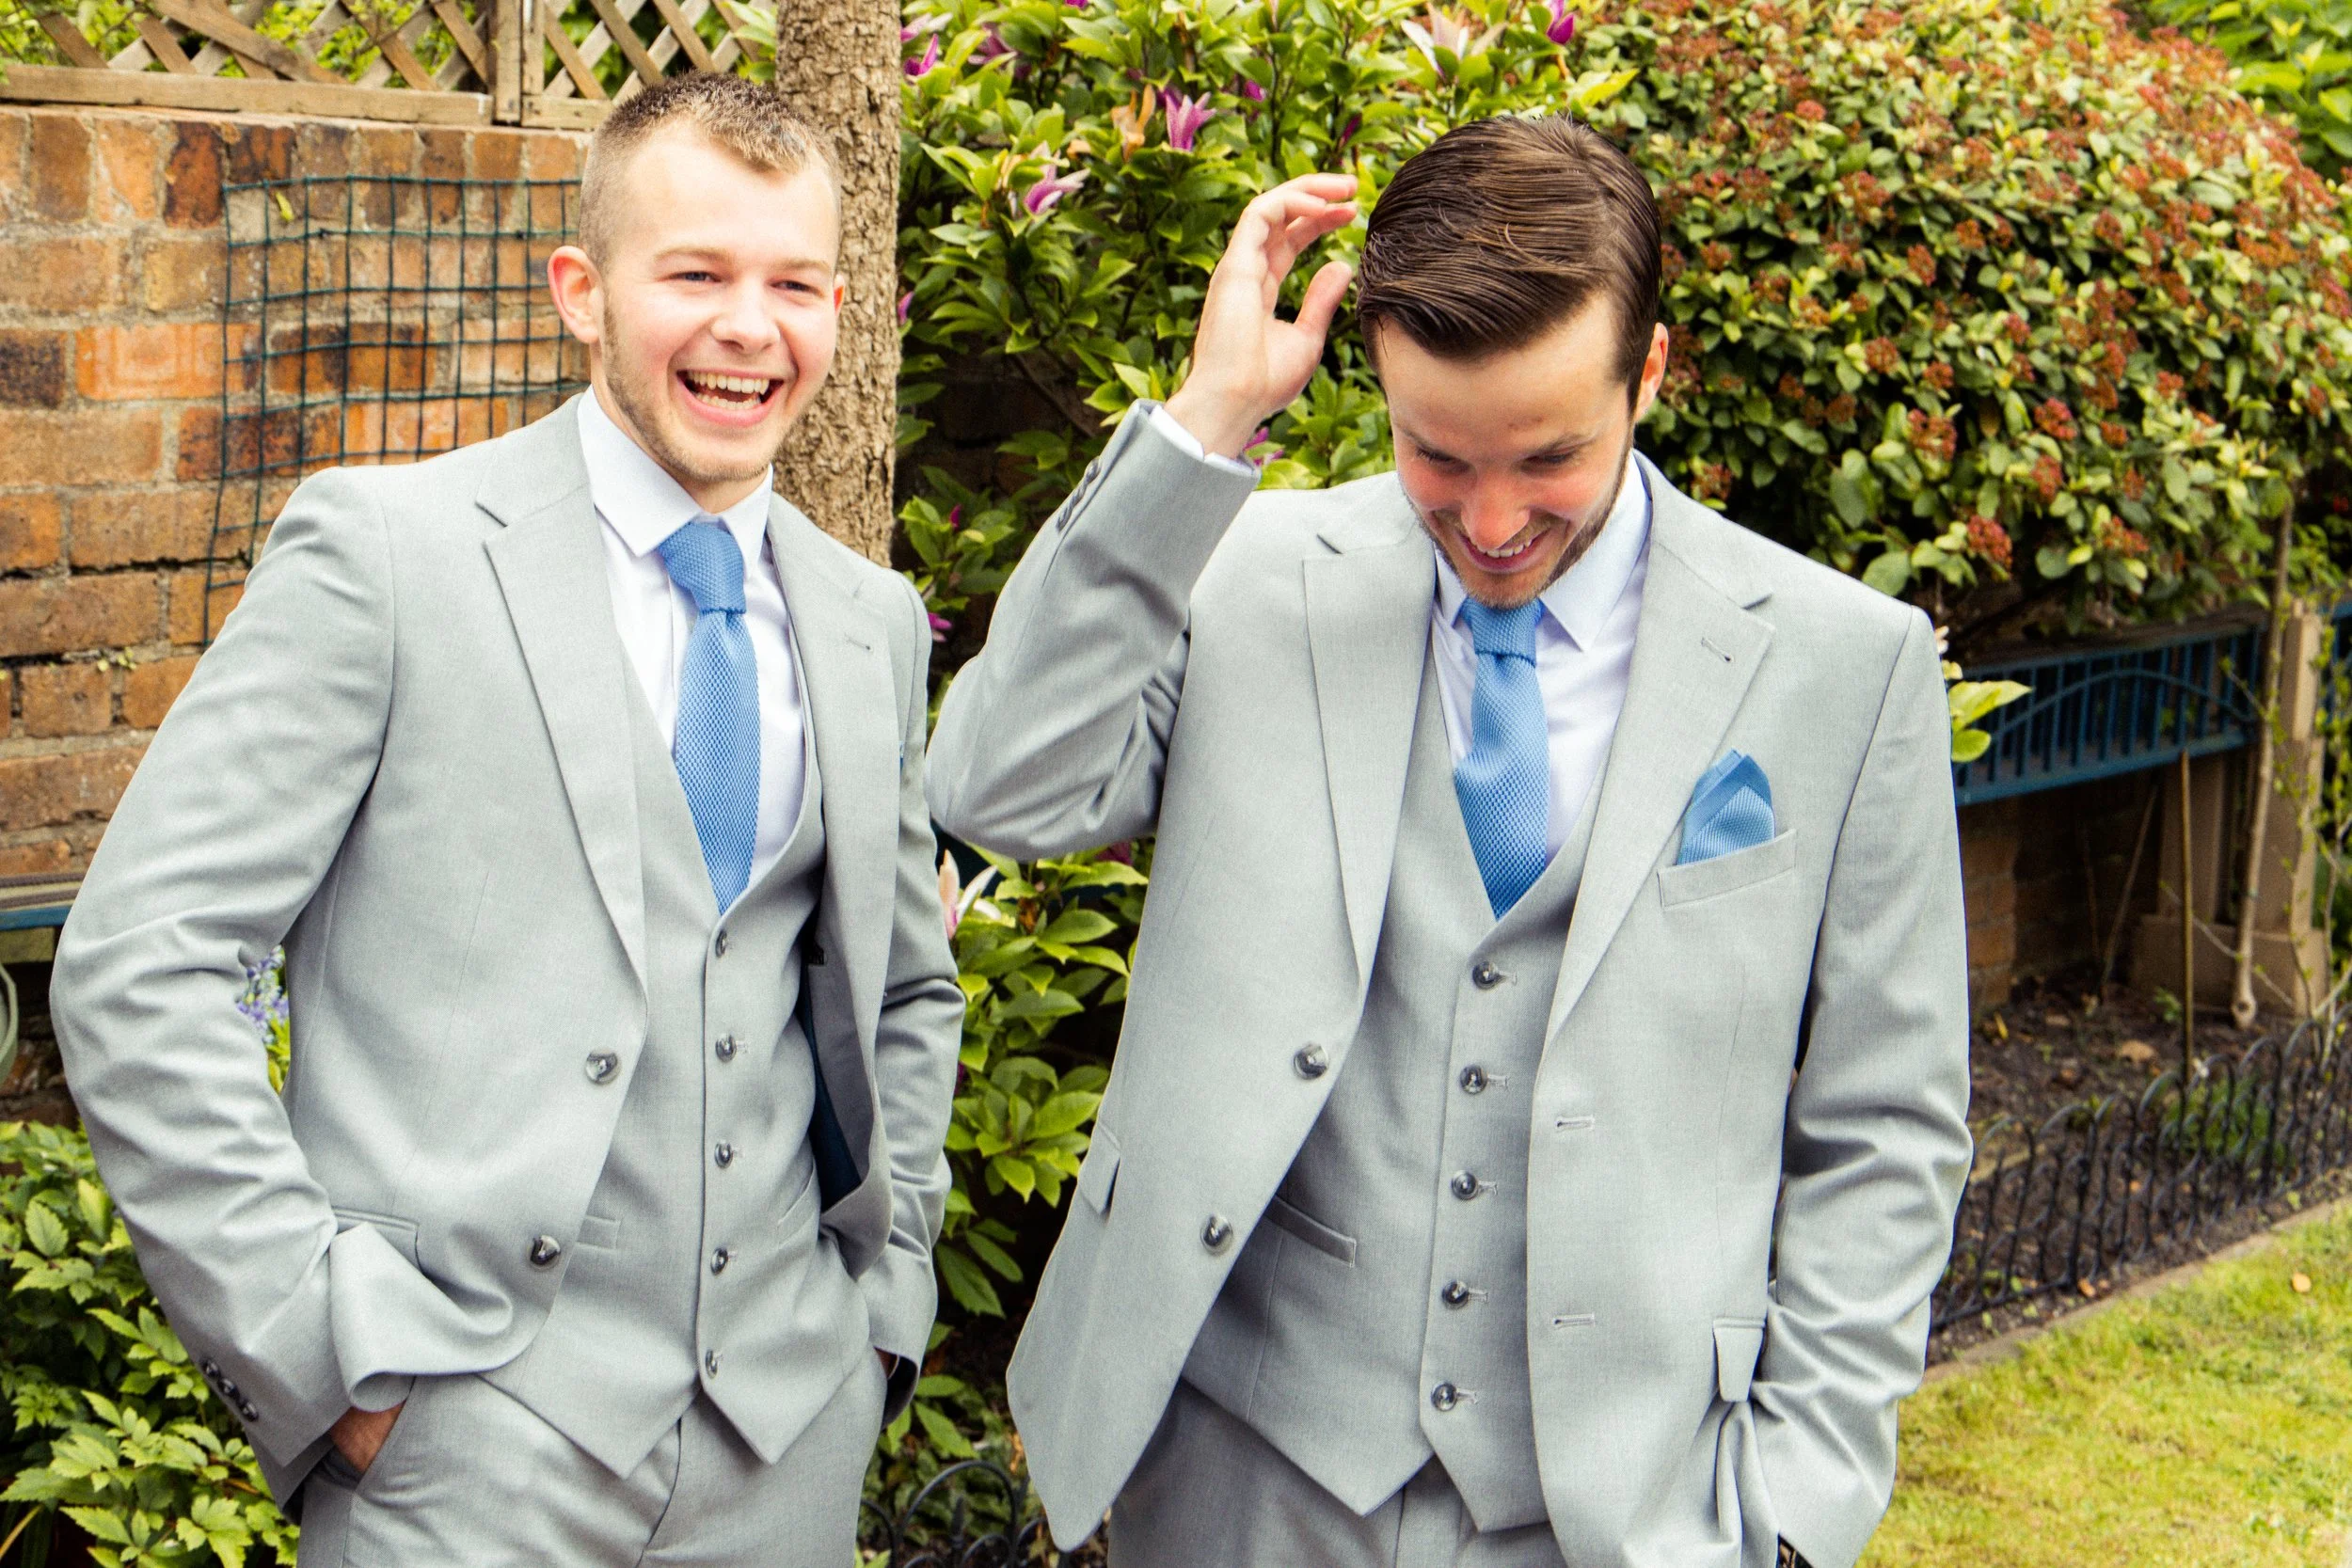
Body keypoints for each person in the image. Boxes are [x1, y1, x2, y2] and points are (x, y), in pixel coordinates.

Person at [928, 116, 1972, 1568]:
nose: (1490, 522)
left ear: (1648, 373)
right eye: (1436, 455)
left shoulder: (1843, 667)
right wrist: (1205, 420)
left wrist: (1795, 1503)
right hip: (1243, 1474)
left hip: (1626, 1506)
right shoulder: (1251, 573)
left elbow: (1888, 1122)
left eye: (1549, 457)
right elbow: (997, 786)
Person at [51, 71, 961, 1566]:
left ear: (844, 309)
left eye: (794, 282)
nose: (751, 325)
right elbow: (143, 961)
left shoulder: (866, 619)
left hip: (786, 1445)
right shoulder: (388, 556)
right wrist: (320, 1348)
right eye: (697, 274)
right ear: (582, 293)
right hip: (457, 1454)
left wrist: (884, 1312)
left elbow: (905, 988)